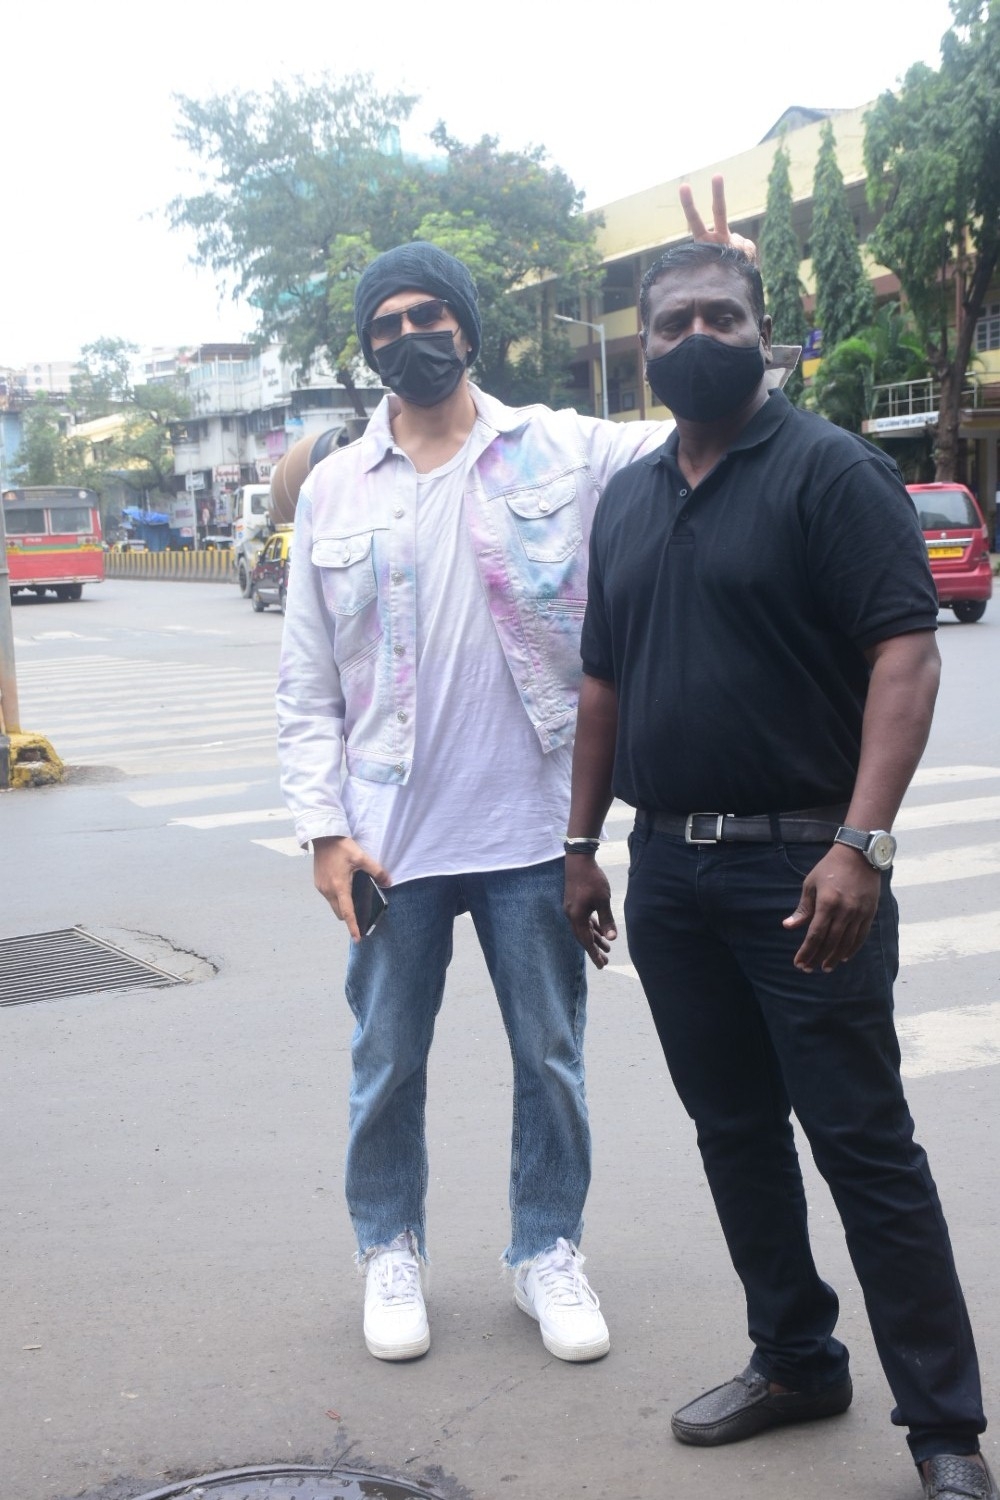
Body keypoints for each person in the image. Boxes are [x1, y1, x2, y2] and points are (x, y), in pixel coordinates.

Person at [276, 184, 750, 1365]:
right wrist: (323, 831)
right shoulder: (335, 489)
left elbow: (715, 420)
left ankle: (547, 1250)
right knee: (386, 1058)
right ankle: (388, 1248)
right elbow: (305, 691)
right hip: (393, 841)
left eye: (428, 315)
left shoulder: (560, 448)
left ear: (469, 329)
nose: (406, 338)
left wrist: (735, 284)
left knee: (551, 1053)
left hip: (539, 829)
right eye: (382, 325)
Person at [564, 237, 993, 1500]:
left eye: (719, 315)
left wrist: (861, 842)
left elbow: (903, 663)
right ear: (642, 349)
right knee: (735, 1133)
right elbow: (601, 684)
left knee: (862, 1142)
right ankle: (795, 1359)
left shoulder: (831, 472)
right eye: (671, 323)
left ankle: (944, 1429)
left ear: (765, 331)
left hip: (807, 865)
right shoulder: (632, 500)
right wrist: (580, 845)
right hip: (672, 880)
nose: (695, 338)